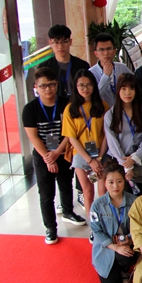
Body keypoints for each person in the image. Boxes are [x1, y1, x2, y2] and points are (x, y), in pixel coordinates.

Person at [23, 67, 85, 244]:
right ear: (36, 87)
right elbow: (33, 137)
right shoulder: (30, 109)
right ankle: (50, 227)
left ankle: (68, 212)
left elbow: (71, 132)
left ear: (57, 84)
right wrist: (48, 158)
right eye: (43, 86)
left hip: (63, 151)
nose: (47, 89)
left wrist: (57, 152)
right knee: (46, 193)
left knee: (66, 185)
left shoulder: (67, 104)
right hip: (43, 155)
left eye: (51, 84)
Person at [61, 69, 109, 220]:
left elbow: (107, 135)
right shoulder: (70, 109)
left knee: (103, 191)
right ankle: (92, 225)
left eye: (88, 84)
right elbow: (71, 138)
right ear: (75, 86)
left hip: (101, 154)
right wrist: (90, 160)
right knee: (88, 192)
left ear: (94, 85)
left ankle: (105, 222)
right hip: (81, 154)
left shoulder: (103, 106)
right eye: (81, 85)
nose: (85, 88)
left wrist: (99, 158)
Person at [90, 160, 137, 283]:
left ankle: (124, 268)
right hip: (107, 247)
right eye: (111, 182)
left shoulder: (134, 201)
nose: (115, 186)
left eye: (119, 181)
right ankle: (111, 266)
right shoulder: (97, 205)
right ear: (104, 183)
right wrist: (115, 247)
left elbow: (140, 226)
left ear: (124, 181)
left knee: (128, 257)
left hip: (128, 244)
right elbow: (96, 231)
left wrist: (129, 239)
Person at [104, 73, 142, 190]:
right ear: (118, 90)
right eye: (123, 88)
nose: (128, 93)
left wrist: (135, 157)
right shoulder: (110, 115)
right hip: (118, 162)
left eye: (131, 88)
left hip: (140, 159)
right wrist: (126, 164)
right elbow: (112, 142)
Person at [36, 24, 89, 98]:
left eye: (64, 42)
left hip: (78, 104)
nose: (60, 46)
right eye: (56, 42)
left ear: (70, 42)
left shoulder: (82, 65)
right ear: (50, 43)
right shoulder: (43, 67)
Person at [88, 33, 133, 107]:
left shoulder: (122, 68)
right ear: (96, 53)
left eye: (109, 49)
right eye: (101, 50)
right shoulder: (91, 73)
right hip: (103, 111)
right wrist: (105, 76)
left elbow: (135, 85)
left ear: (114, 51)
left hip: (123, 109)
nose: (106, 53)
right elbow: (94, 98)